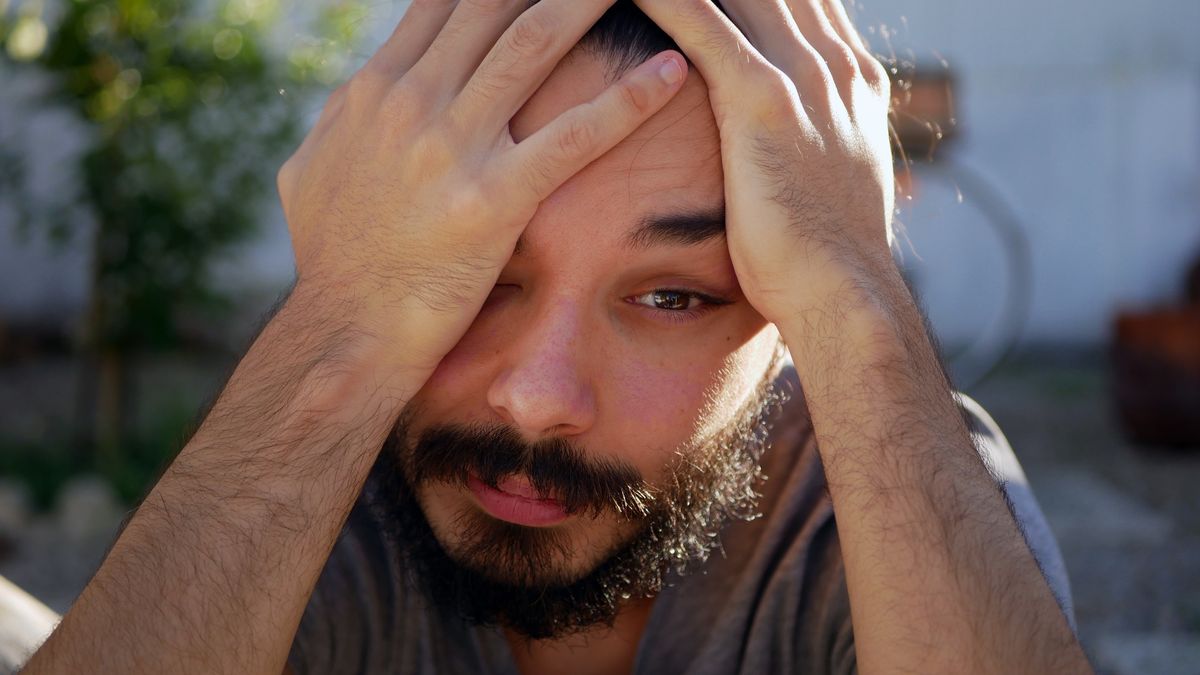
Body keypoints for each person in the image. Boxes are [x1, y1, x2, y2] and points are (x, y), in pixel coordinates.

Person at [18, 0, 1093, 673]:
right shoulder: (322, 480)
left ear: (788, 312)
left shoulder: (883, 495)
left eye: (674, 297)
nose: (537, 398)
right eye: (476, 276)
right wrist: (335, 333)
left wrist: (862, 315)